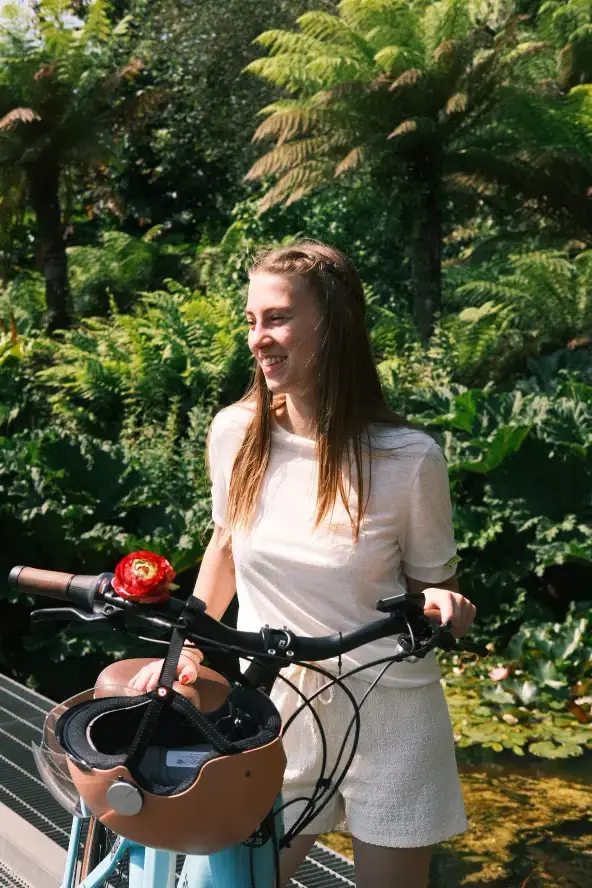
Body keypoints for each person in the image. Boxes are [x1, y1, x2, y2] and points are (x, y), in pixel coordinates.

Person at [128, 240, 476, 888]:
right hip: (275, 709)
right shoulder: (235, 433)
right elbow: (225, 547)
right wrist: (189, 649)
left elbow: (437, 593)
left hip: (391, 715)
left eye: (278, 318)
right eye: (251, 320)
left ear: (334, 325)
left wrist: (443, 608)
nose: (258, 337)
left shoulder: (408, 459)